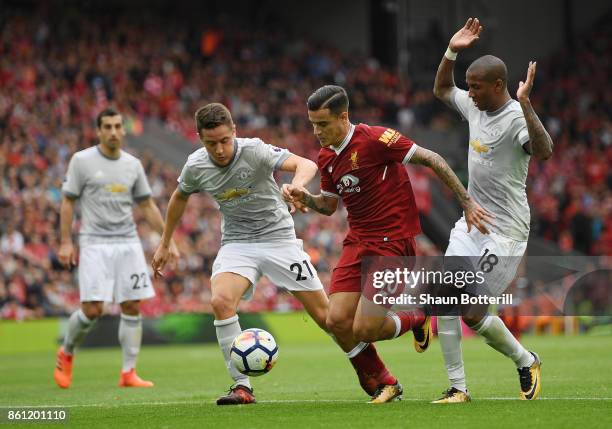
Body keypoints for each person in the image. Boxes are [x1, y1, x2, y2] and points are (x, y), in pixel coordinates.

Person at [283, 85, 492, 403]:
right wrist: (306, 199)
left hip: (392, 243)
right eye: (313, 123)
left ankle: (420, 315)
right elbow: (328, 206)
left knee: (365, 329)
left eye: (323, 124)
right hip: (357, 242)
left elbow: (431, 158)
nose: (317, 131)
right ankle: (386, 382)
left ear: (344, 116)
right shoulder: (326, 157)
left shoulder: (376, 139)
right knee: (336, 321)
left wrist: (465, 201)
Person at [151, 103, 330, 406]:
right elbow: (179, 197)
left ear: (234, 131)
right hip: (238, 243)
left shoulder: (255, 150)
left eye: (224, 140)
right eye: (211, 143)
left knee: (328, 318)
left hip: (279, 239)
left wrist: (297, 186)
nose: (219, 149)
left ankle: (377, 374)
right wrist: (165, 241)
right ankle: (242, 386)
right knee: (220, 301)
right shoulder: (195, 165)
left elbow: (306, 164)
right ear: (199, 138)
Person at [431, 18, 553, 403]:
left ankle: (526, 359)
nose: (471, 94)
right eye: (470, 88)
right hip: (472, 222)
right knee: (445, 300)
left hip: (505, 231)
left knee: (469, 308)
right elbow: (441, 89)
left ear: (499, 86)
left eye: (477, 88)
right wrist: (451, 50)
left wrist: (528, 104)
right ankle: (458, 388)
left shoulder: (516, 118)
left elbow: (544, 150)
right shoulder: (474, 105)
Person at [54, 108, 179, 389]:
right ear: (98, 131)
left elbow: (146, 205)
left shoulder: (132, 165)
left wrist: (166, 240)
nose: (112, 131)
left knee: (132, 305)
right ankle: (66, 352)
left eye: (117, 126)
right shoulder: (82, 161)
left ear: (124, 130)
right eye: (107, 126)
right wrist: (65, 241)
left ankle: (128, 372)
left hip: (128, 242)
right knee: (93, 310)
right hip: (94, 242)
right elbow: (68, 202)